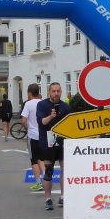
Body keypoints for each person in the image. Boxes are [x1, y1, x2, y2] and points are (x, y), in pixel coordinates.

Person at [36, 82, 71, 210]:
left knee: (65, 169)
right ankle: (48, 199)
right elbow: (41, 121)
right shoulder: (42, 105)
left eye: (58, 91)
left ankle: (63, 196)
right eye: (53, 91)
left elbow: (70, 125)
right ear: (49, 92)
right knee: (49, 171)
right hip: (47, 143)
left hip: (62, 143)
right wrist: (51, 116)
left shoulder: (66, 107)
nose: (56, 94)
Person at [21, 84, 45, 191]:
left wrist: (26, 128)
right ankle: (45, 176)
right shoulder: (43, 103)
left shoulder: (28, 104)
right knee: (41, 158)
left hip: (32, 135)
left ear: (30, 93)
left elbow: (23, 120)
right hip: (42, 135)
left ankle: (38, 182)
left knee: (34, 159)